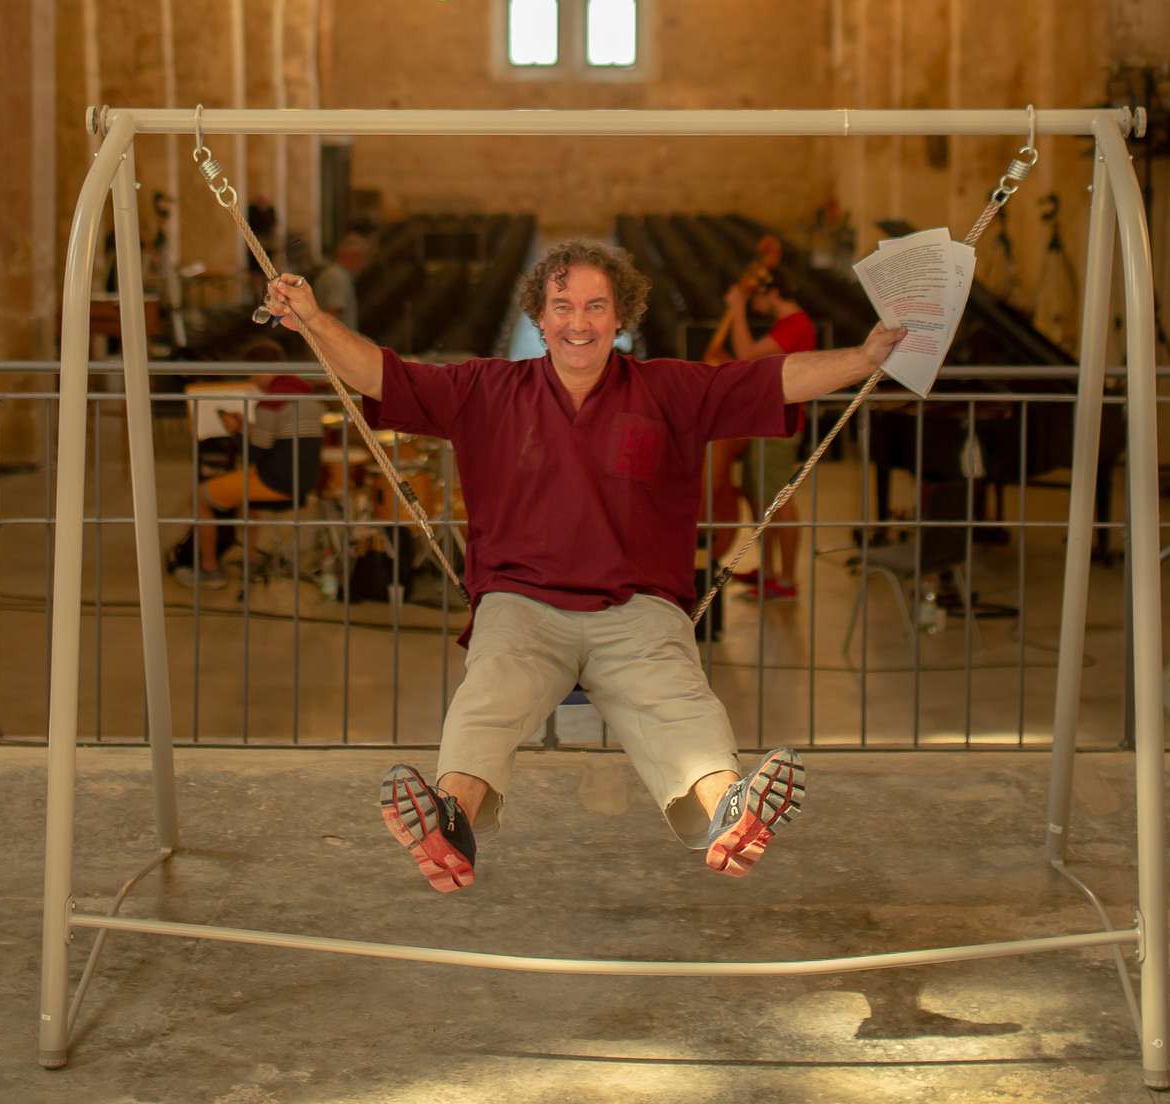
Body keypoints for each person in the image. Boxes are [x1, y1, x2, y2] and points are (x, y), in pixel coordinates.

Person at [264, 239, 903, 893]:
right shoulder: (485, 388)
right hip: (520, 604)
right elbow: (381, 374)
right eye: (562, 305)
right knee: (488, 697)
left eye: (596, 306)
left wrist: (865, 356)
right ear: (537, 317)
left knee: (678, 705)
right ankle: (448, 823)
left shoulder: (668, 389)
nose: (578, 322)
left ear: (620, 315)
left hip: (636, 609)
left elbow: (773, 379)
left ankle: (729, 815)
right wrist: (314, 321)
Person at [166, 339, 322, 588]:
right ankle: (249, 561)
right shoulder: (303, 394)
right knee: (244, 489)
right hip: (303, 479)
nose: (251, 380)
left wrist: (235, 431)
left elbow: (253, 454)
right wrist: (246, 427)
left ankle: (209, 570)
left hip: (276, 481)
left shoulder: (271, 402)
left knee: (200, 496)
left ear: (260, 369)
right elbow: (274, 439)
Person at [714, 272, 818, 599]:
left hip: (780, 425)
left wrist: (737, 308)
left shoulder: (797, 324)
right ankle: (769, 570)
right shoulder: (786, 324)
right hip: (766, 422)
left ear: (773, 292)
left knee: (777, 499)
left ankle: (786, 580)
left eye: (757, 296)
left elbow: (746, 353)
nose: (756, 304)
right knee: (759, 495)